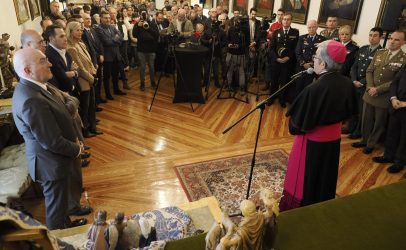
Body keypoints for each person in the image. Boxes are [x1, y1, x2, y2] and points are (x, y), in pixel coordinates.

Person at [12, 48, 86, 229]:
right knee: (55, 208)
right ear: (28, 70)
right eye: (43, 61)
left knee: (60, 205)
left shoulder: (35, 87)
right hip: (50, 162)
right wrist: (77, 149)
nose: (50, 63)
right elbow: (51, 141)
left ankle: (66, 226)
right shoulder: (31, 99)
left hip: (53, 159)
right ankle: (58, 239)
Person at [279, 40, 357, 211]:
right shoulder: (347, 83)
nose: (313, 60)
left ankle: (306, 207)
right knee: (325, 175)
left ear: (322, 63)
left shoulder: (313, 89)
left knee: (310, 178)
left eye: (315, 57)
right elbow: (349, 114)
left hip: (312, 145)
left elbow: (295, 126)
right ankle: (323, 205)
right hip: (334, 141)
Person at [352, 31, 406, 154]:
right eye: (391, 38)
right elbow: (369, 70)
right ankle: (364, 140)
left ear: (403, 42)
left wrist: (378, 89)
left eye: (396, 40)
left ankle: (371, 144)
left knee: (379, 123)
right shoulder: (380, 52)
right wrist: (370, 87)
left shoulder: (404, 59)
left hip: (384, 96)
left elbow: (396, 80)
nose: (392, 41)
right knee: (366, 119)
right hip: (370, 92)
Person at [346, 27, 383, 139]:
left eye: (375, 35)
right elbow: (354, 66)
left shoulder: (382, 53)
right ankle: (350, 127)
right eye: (370, 35)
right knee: (353, 107)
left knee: (362, 110)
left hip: (366, 85)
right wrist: (353, 80)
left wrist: (361, 82)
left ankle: (358, 131)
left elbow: (375, 72)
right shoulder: (363, 49)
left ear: (380, 37)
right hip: (355, 83)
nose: (372, 38)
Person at [373, 65, 406, 173]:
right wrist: (393, 98)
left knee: (404, 138)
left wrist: (404, 104)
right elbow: (395, 82)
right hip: (396, 105)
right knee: (392, 132)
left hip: (404, 106)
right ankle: (388, 156)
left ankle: (399, 162)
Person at [269, 13, 299, 107]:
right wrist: (276, 58)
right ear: (282, 20)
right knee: (274, 81)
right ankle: (271, 98)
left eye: (288, 19)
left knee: (284, 81)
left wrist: (288, 57)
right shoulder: (276, 32)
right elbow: (271, 48)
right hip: (276, 62)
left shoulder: (295, 33)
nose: (286, 21)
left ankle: (282, 99)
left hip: (287, 63)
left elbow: (295, 48)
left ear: (291, 21)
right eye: (284, 19)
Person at [95, 10, 126, 100]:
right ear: (101, 18)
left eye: (109, 18)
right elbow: (106, 42)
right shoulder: (98, 28)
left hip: (116, 54)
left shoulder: (112, 27)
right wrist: (115, 39)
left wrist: (114, 39)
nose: (108, 19)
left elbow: (121, 37)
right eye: (105, 18)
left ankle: (116, 89)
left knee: (116, 74)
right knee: (107, 76)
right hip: (107, 56)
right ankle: (108, 93)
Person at [44, 25, 79, 94]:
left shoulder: (64, 51)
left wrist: (73, 73)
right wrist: (73, 72)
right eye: (61, 36)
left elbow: (78, 69)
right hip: (63, 94)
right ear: (51, 39)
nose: (66, 39)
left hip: (73, 90)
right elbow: (61, 77)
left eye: (65, 35)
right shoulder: (48, 55)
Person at [294, 19, 325, 96]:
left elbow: (322, 55)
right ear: (307, 28)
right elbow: (298, 52)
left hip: (314, 68)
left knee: (309, 88)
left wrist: (313, 63)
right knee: (298, 86)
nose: (311, 29)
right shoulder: (302, 38)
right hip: (301, 67)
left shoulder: (322, 39)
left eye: (313, 27)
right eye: (309, 27)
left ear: (317, 27)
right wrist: (303, 63)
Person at [133, 11, 159, 91]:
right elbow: (134, 35)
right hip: (141, 50)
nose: (144, 16)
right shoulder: (137, 24)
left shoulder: (152, 24)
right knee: (142, 68)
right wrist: (137, 26)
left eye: (145, 14)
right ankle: (142, 84)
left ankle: (153, 82)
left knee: (151, 67)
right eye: (142, 14)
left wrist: (148, 29)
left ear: (147, 15)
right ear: (140, 15)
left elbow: (156, 34)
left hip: (151, 49)